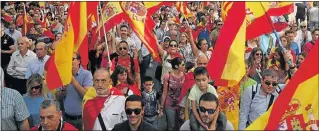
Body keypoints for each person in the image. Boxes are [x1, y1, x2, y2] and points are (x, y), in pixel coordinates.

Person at [56, 52, 93, 130]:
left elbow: (86, 96)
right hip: (66, 118)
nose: (69, 62)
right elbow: (58, 98)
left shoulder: (87, 74)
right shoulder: (63, 74)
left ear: (79, 61)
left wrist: (74, 82)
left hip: (81, 119)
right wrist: (63, 90)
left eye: (72, 59)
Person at [159, 57, 185, 131]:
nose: (184, 66)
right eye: (182, 65)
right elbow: (164, 93)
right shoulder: (167, 76)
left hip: (182, 105)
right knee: (171, 126)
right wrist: (161, 108)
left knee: (180, 125)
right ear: (176, 66)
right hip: (170, 104)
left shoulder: (185, 75)